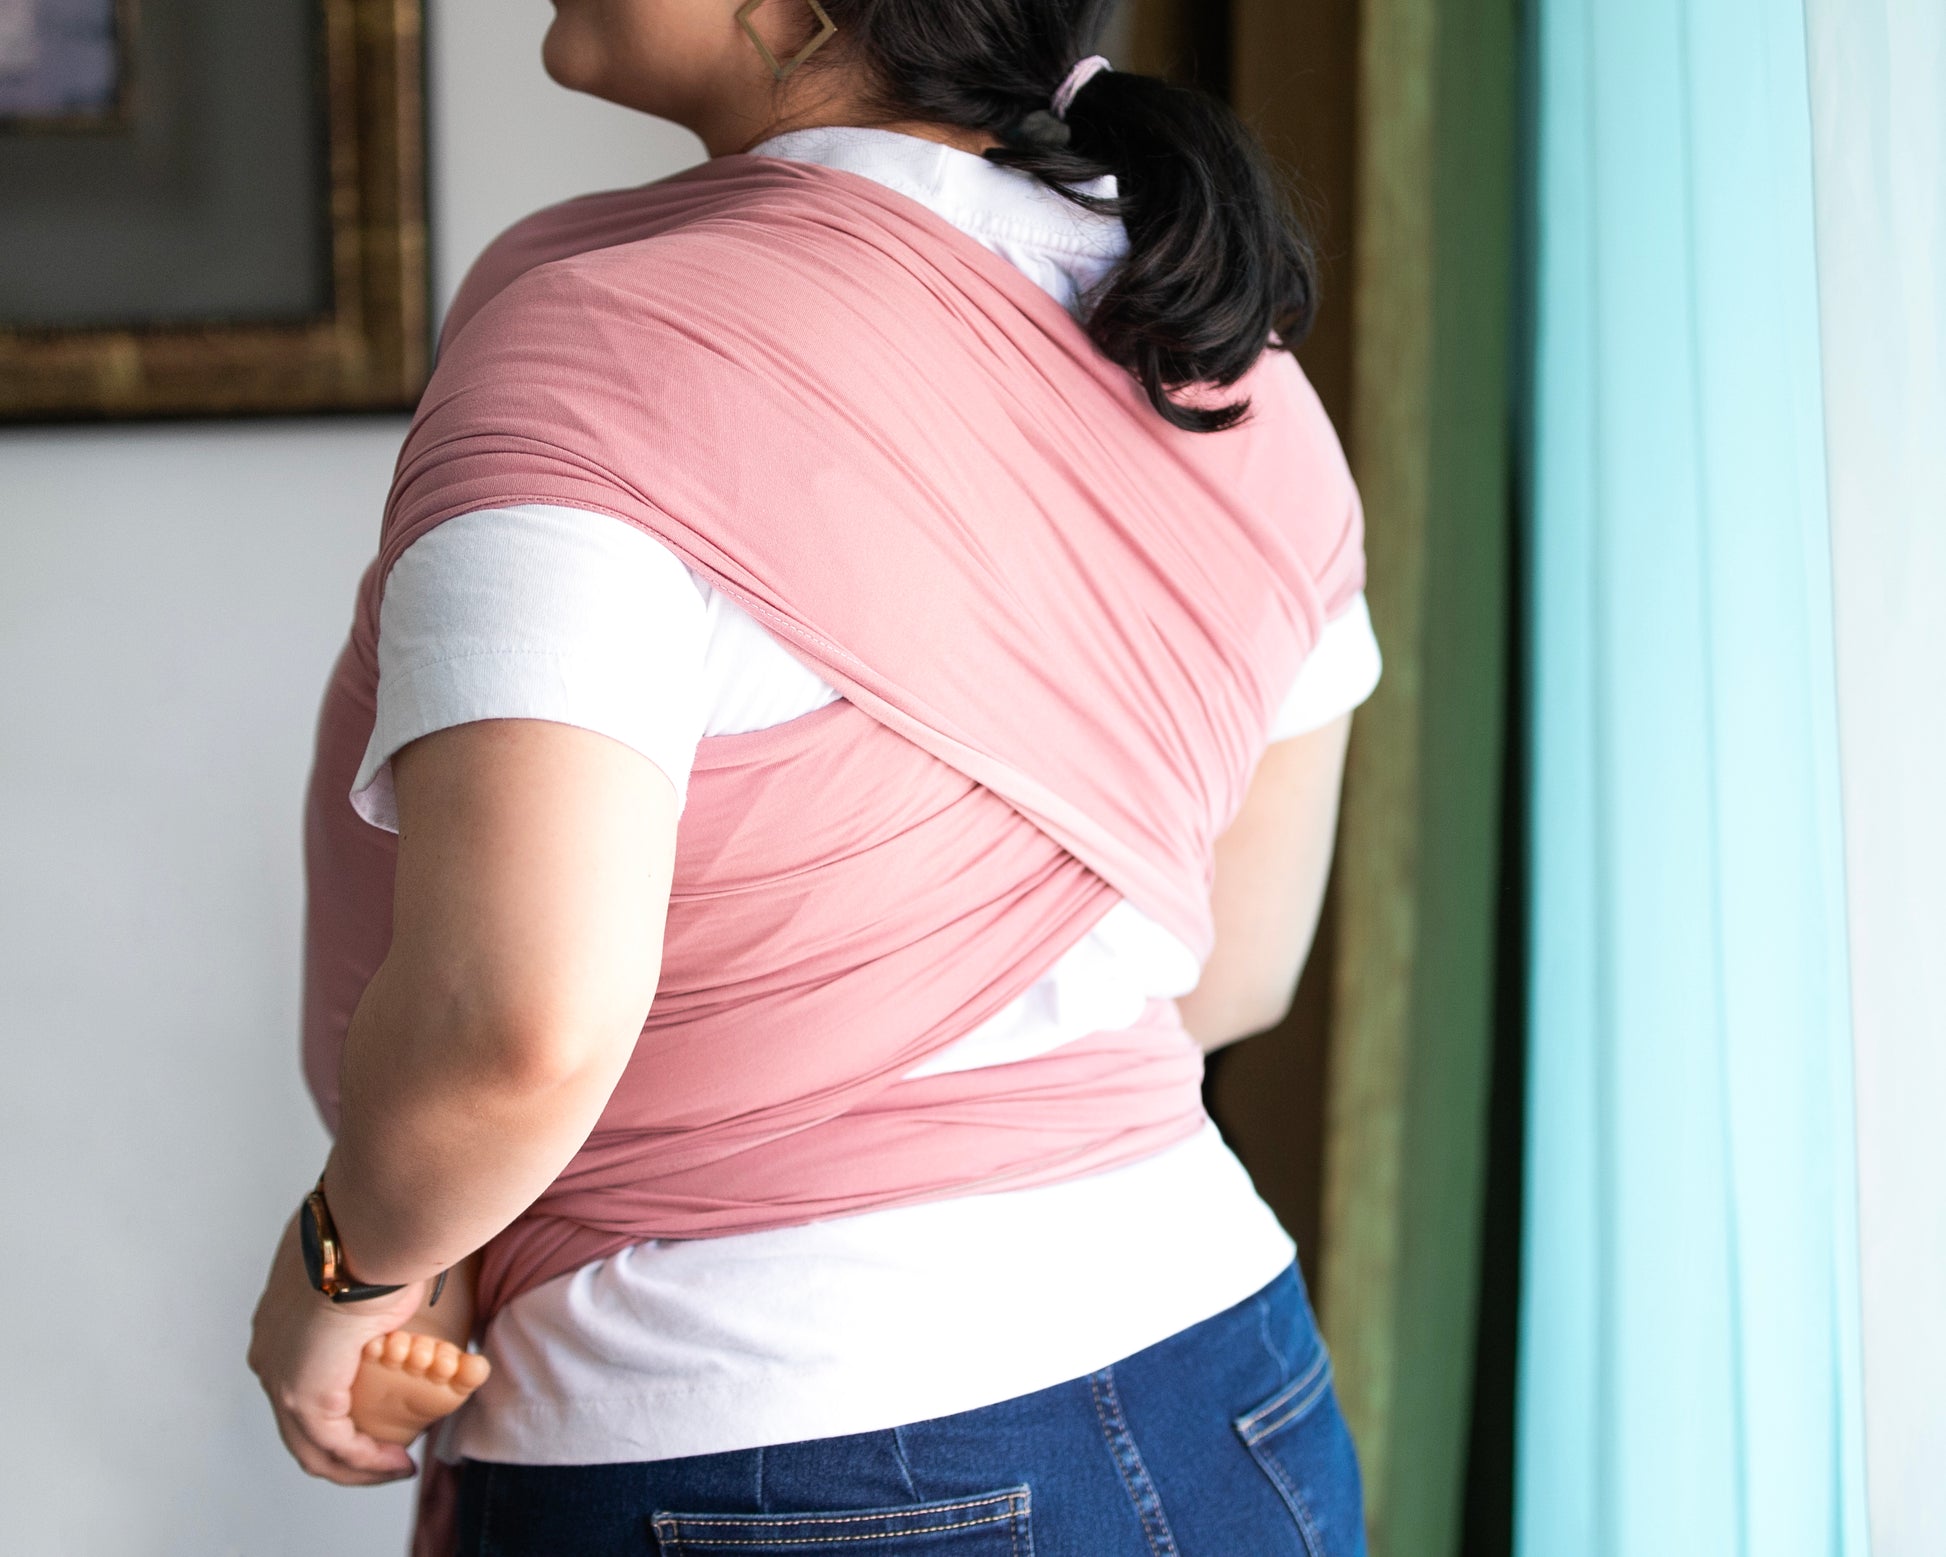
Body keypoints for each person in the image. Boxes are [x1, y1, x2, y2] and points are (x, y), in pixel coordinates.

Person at [248, 2, 1382, 1553]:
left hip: (763, 1434)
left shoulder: (605, 348)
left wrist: (343, 1270)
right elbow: (1236, 966)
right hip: (1227, 1382)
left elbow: (513, 1027)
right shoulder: (1216, 350)